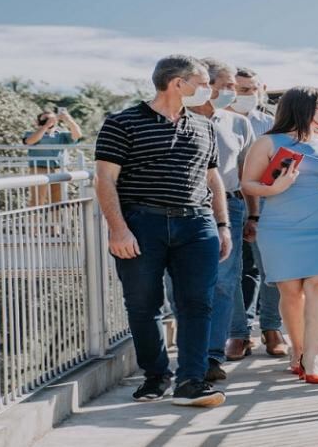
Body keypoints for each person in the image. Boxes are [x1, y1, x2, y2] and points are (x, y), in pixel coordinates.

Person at [95, 54, 231, 407]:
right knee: (143, 304)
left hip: (197, 223)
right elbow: (105, 180)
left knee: (198, 303)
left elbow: (212, 178)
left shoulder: (204, 126)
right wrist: (118, 230)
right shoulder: (122, 123)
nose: (208, 90)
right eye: (202, 83)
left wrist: (222, 225)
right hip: (143, 223)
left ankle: (192, 380)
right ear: (178, 83)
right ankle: (156, 376)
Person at [241, 86, 318, 384]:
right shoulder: (268, 142)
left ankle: (314, 357)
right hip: (280, 226)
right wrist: (274, 190)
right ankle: (298, 350)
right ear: (301, 108)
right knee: (291, 293)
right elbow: (248, 184)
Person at [187, 58, 258, 381]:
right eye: (227, 85)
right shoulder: (178, 119)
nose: (231, 92)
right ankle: (194, 351)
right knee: (185, 286)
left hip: (230, 207)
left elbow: (246, 173)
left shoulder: (238, 124)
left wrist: (252, 214)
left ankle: (212, 356)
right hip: (187, 209)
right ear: (204, 85)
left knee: (224, 284)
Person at [226, 66, 288, 358]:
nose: (246, 95)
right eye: (240, 90)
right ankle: (238, 333)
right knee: (231, 271)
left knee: (271, 270)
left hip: (267, 201)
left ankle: (271, 328)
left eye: (251, 90)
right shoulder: (219, 121)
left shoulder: (271, 123)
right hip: (230, 200)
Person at [23, 108, 83, 205]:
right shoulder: (31, 134)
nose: (48, 122)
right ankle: (35, 220)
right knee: (37, 200)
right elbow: (30, 141)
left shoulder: (62, 135)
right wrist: (46, 126)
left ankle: (57, 219)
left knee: (59, 201)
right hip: (39, 168)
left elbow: (78, 135)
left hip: (59, 169)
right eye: (45, 119)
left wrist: (68, 119)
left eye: (51, 120)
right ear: (37, 122)